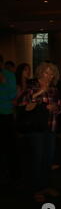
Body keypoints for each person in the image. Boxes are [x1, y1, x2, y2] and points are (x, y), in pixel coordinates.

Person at [17, 62, 61, 202]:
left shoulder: (54, 89)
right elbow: (22, 104)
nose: (49, 76)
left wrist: (55, 106)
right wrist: (39, 93)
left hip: (50, 128)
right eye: (46, 73)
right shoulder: (32, 86)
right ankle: (36, 189)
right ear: (40, 72)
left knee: (48, 159)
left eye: (52, 74)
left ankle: (45, 186)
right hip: (36, 129)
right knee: (37, 159)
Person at [0, 55, 17, 186]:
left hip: (6, 115)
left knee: (9, 147)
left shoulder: (9, 75)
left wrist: (4, 82)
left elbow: (13, 95)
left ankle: (12, 175)